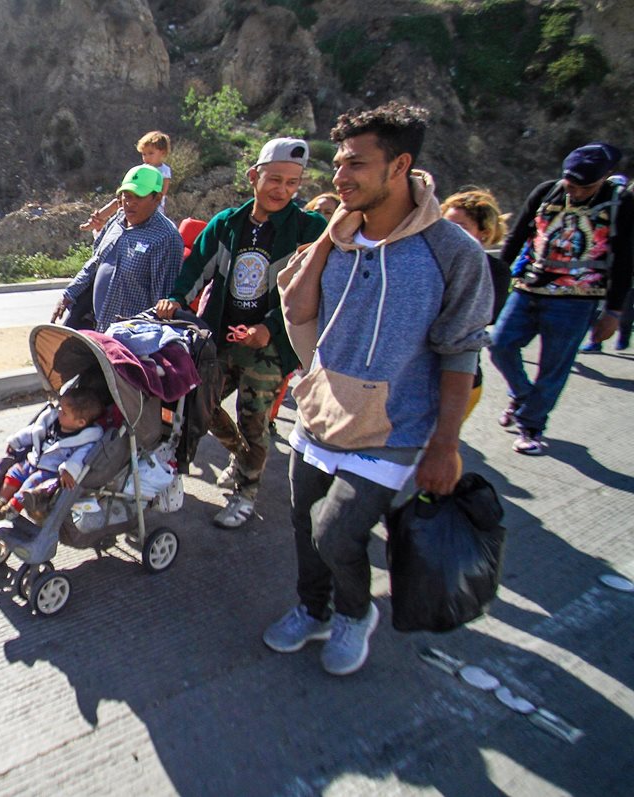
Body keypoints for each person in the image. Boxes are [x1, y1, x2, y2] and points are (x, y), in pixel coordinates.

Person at [268, 102, 493, 676]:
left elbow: (460, 350)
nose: (340, 176)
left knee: (335, 534)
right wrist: (328, 239)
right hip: (321, 413)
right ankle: (312, 609)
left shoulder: (452, 251)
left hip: (393, 428)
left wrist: (445, 443)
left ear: (400, 166)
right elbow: (299, 311)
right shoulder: (336, 238)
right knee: (303, 525)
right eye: (339, 164)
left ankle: (353, 613)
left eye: (356, 164)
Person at [154, 138, 327, 529]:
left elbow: (310, 291)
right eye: (275, 179)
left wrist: (269, 328)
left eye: (292, 183)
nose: (282, 190)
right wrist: (175, 299)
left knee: (254, 418)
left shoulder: (309, 228)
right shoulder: (227, 224)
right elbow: (196, 267)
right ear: (253, 176)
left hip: (270, 346)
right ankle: (241, 455)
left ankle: (245, 493)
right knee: (200, 404)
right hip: (220, 338)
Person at [489, 142, 632, 454]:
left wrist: (614, 312)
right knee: (499, 344)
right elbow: (517, 236)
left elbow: (625, 260)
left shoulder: (620, 202)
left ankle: (531, 425)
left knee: (554, 365)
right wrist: (495, 279)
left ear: (605, 177)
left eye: (585, 187)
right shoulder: (547, 191)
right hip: (529, 287)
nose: (576, 192)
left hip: (577, 298)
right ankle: (523, 396)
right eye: (571, 184)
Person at [54, 164, 183, 331]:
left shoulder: (166, 237)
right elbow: (95, 262)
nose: (129, 203)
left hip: (130, 336)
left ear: (157, 198)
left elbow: (163, 302)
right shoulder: (117, 220)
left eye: (138, 197)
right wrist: (68, 294)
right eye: (126, 196)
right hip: (97, 327)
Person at [0, 388, 107, 522]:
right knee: (14, 472)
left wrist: (69, 470)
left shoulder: (84, 439)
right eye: (60, 408)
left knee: (31, 482)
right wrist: (16, 441)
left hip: (50, 471)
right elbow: (33, 431)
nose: (59, 411)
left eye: (64, 413)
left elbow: (80, 457)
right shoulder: (52, 422)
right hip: (34, 461)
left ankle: (12, 508)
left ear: (80, 422)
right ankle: (1, 500)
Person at [440, 188, 512, 418]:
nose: (448, 234)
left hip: (457, 381)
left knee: (439, 439)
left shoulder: (495, 271)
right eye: (444, 225)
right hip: (412, 378)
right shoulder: (427, 262)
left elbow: (481, 318)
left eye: (460, 227)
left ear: (484, 232)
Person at [81, 131, 173, 232]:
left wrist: (144, 197)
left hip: (151, 206)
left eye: (151, 153)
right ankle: (95, 221)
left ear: (162, 152)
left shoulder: (163, 171)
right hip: (136, 199)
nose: (146, 157)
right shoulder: (141, 170)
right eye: (144, 154)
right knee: (116, 203)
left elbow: (162, 192)